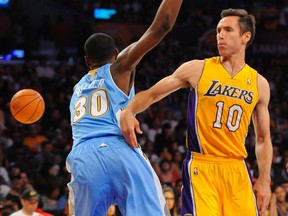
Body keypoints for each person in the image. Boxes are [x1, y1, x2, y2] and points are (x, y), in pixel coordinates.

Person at [120, 8, 272, 216]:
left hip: (237, 168)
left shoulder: (259, 83)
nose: (220, 35)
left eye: (228, 30)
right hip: (202, 165)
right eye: (219, 30)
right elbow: (152, 94)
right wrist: (129, 110)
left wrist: (264, 179)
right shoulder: (197, 69)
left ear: (246, 36)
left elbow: (263, 138)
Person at [65, 0, 183, 215]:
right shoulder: (118, 68)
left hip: (82, 157)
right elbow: (162, 25)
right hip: (118, 150)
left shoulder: (77, 88)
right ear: (116, 53)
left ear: (86, 60)